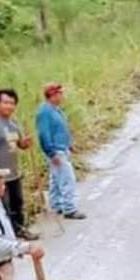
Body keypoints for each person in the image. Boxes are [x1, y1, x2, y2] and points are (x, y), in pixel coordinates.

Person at [0, 89, 38, 240]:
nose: (9, 106)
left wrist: (26, 143)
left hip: (13, 171)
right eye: (5, 102)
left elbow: (20, 144)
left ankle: (20, 229)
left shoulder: (13, 123)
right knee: (4, 206)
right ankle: (7, 236)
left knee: (17, 202)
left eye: (12, 103)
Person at [35, 83, 86, 220]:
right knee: (66, 179)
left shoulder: (56, 110)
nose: (62, 96)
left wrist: (69, 144)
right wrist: (51, 152)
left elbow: (61, 129)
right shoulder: (44, 112)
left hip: (62, 148)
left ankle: (56, 204)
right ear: (52, 95)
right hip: (55, 150)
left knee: (56, 179)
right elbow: (43, 134)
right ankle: (69, 208)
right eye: (59, 94)